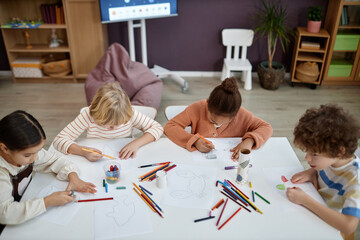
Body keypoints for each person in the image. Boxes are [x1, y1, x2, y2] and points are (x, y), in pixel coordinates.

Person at [0, 110, 96, 229]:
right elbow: (5, 214)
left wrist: (73, 176)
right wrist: (47, 202)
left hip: (24, 204)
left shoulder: (29, 155)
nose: (35, 158)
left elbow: (56, 160)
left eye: (38, 151)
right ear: (4, 148)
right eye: (28, 155)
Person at [286, 104, 360, 234]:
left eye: (314, 154)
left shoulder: (355, 180)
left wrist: (305, 201)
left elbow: (349, 226)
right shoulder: (330, 159)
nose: (307, 158)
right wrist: (312, 171)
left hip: (330, 228)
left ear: (339, 152)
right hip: (313, 211)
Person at [164, 77, 273, 160]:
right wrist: (195, 141)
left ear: (235, 114)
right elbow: (170, 126)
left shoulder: (243, 115)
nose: (217, 125)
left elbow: (266, 127)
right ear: (208, 104)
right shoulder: (197, 108)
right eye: (213, 121)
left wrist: (249, 141)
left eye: (226, 122)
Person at [53, 82, 163, 161]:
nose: (114, 128)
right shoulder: (88, 115)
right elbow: (59, 140)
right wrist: (83, 151)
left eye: (119, 124)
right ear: (98, 116)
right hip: (95, 160)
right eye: (109, 125)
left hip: (126, 159)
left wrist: (136, 143)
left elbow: (158, 128)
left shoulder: (128, 113)